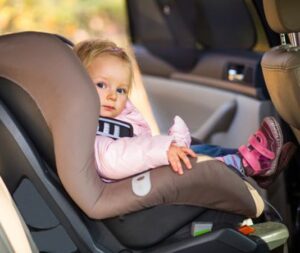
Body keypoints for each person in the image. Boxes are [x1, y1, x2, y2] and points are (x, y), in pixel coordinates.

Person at [74, 39, 296, 189]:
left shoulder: (106, 118)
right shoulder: (89, 129)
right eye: (102, 85)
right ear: (77, 84)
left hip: (142, 165)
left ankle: (254, 163)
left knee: (200, 149)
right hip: (135, 182)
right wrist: (163, 149)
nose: (113, 96)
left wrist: (165, 146)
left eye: (121, 89)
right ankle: (249, 163)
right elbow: (112, 159)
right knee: (197, 162)